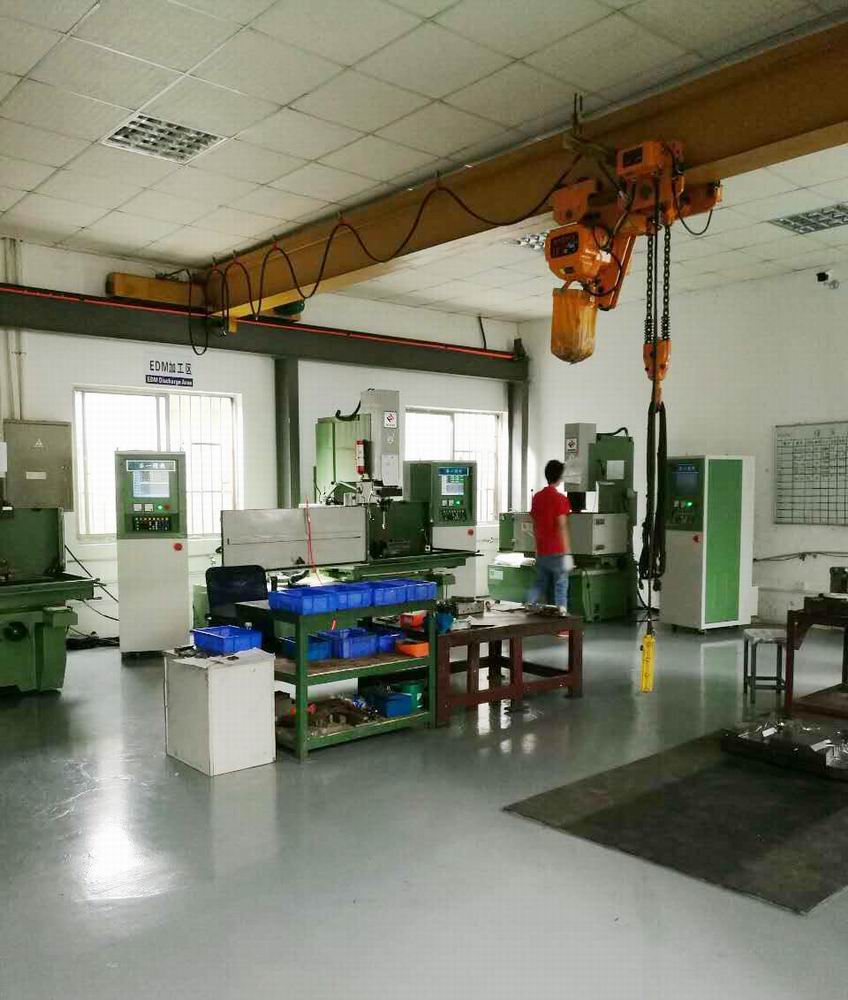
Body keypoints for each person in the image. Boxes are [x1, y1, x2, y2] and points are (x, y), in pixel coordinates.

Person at [528, 459, 574, 619]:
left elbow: (535, 524)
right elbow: (562, 526)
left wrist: (536, 548)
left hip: (542, 550)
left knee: (540, 582)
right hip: (557, 550)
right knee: (561, 584)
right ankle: (562, 616)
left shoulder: (537, 497)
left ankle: (530, 603)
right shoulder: (560, 499)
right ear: (560, 477)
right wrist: (568, 553)